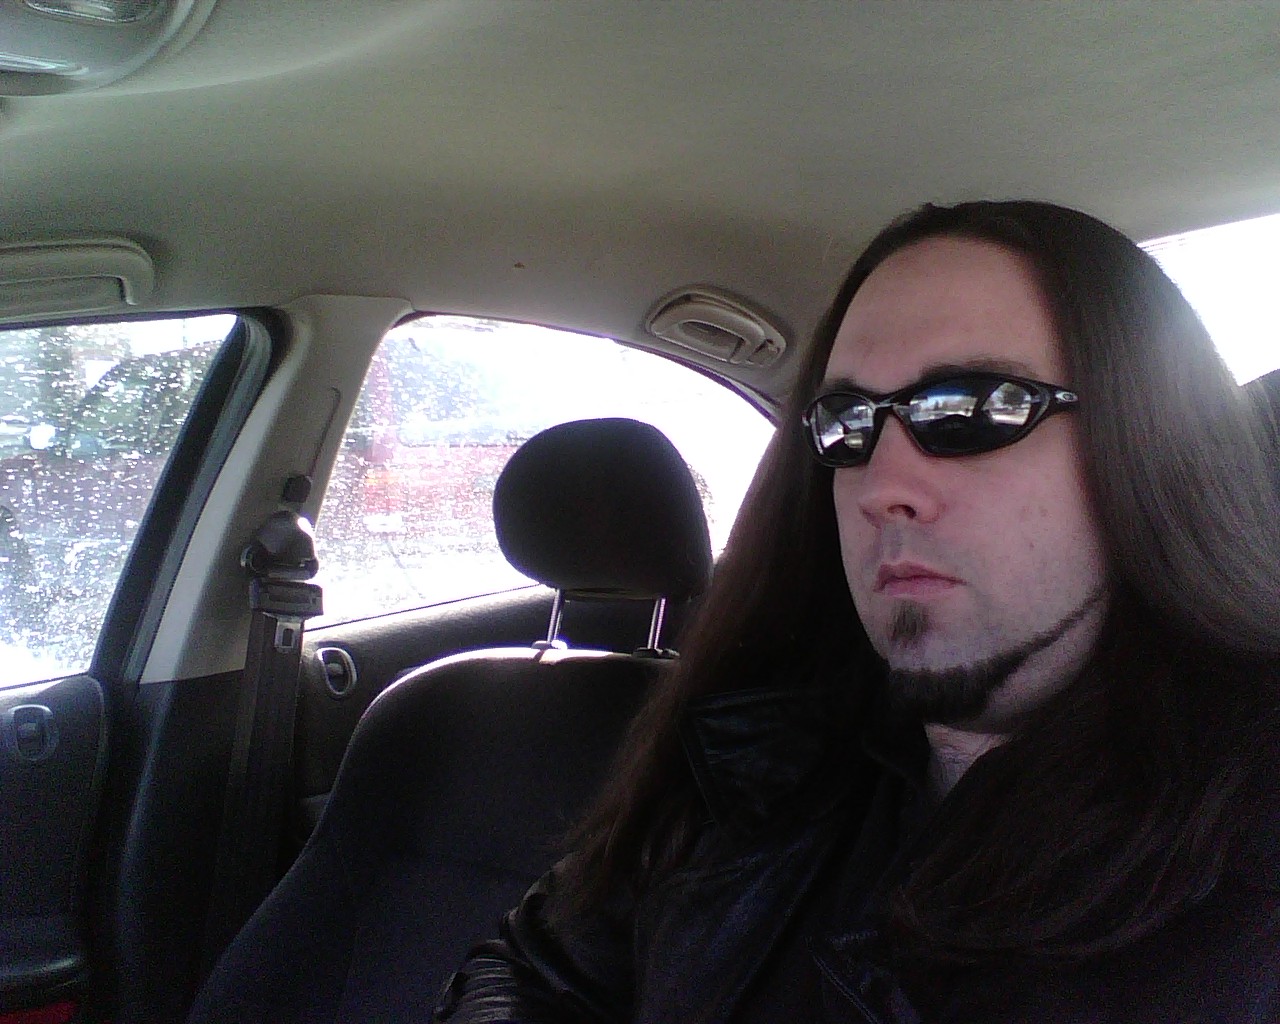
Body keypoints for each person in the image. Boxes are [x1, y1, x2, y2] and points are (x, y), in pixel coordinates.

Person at [432, 200, 1280, 1023]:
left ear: (1150, 445)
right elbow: (540, 972)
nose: (881, 487)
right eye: (847, 424)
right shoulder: (751, 755)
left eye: (971, 409)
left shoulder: (1242, 855)